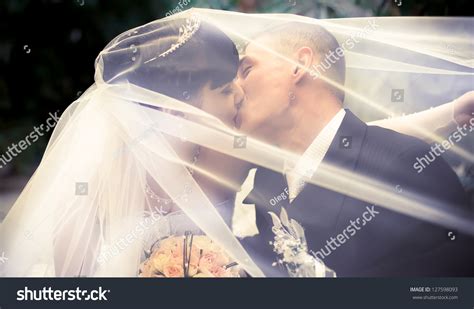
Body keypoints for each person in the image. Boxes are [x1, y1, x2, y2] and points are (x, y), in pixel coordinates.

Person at [0, 10, 472, 277]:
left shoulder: (235, 155)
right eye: (227, 87)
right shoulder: (126, 169)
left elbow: (347, 148)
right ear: (178, 108)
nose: (239, 95)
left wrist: (447, 116)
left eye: (243, 76)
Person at [236, 22, 474, 276]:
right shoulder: (267, 182)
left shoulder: (407, 169)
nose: (234, 89)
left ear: (301, 64)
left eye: (246, 70)